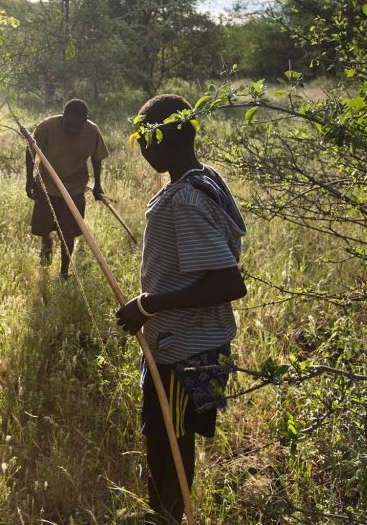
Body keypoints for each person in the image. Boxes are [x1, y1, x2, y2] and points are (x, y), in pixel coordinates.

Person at [115, 94, 247, 525]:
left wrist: (148, 304)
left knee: (169, 443)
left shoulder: (187, 200)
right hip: (188, 343)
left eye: (143, 140)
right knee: (173, 438)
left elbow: (228, 283)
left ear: (158, 139)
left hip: (184, 351)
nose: (141, 150)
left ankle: (169, 515)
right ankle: (170, 510)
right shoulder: (204, 178)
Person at [26, 98, 109, 278]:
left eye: (76, 126)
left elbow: (97, 157)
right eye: (68, 125)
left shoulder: (92, 131)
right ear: (63, 116)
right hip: (47, 186)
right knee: (44, 226)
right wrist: (29, 180)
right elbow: (30, 150)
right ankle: (46, 242)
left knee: (68, 231)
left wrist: (98, 185)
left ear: (85, 120)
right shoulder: (47, 127)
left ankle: (64, 270)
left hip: (74, 188)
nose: (72, 130)